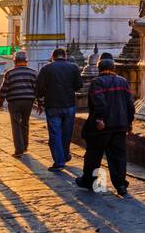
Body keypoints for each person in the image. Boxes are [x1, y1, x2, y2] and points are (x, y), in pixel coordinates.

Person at [76, 57, 134, 197]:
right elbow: (130, 105)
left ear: (99, 69)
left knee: (94, 155)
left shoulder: (97, 82)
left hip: (102, 126)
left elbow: (99, 103)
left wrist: (99, 119)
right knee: (118, 156)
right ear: (113, 68)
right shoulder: (123, 81)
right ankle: (120, 185)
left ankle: (89, 181)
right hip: (120, 125)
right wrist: (129, 122)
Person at [35, 47, 82, 172]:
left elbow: (39, 88)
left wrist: (40, 101)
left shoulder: (46, 69)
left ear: (53, 57)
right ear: (65, 56)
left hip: (52, 105)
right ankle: (65, 155)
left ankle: (59, 161)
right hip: (69, 105)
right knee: (67, 133)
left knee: (55, 133)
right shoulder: (73, 68)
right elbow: (79, 86)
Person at [0, 51, 38, 156]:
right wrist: (40, 103)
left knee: (16, 125)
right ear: (26, 61)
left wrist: (0, 102)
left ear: (14, 61)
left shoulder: (10, 73)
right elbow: (37, 90)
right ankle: (24, 146)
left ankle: (19, 149)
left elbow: (4, 88)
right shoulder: (33, 73)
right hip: (28, 101)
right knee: (25, 123)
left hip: (14, 102)